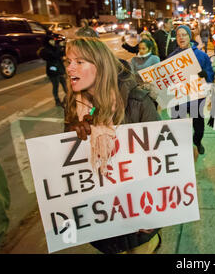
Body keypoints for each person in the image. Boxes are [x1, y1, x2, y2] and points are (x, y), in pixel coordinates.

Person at [63, 37, 161, 254]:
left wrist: (153, 211)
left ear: (100, 65)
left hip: (139, 219)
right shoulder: (73, 105)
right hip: (104, 219)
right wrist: (72, 136)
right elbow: (71, 166)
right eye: (68, 61)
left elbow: (160, 160)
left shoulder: (137, 101)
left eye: (79, 62)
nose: (70, 68)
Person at [169, 25, 214, 155]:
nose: (181, 37)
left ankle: (197, 141)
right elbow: (167, 80)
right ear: (176, 38)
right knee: (178, 127)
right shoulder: (171, 57)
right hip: (179, 99)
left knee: (199, 127)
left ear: (190, 37)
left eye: (184, 34)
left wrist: (206, 75)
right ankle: (182, 148)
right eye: (178, 35)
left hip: (196, 98)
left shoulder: (201, 55)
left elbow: (210, 75)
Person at [38, 34, 68, 107]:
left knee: (64, 84)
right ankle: (57, 100)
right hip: (53, 70)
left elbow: (62, 54)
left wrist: (63, 46)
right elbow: (55, 55)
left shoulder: (55, 47)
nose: (53, 42)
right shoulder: (46, 50)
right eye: (51, 40)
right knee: (55, 86)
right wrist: (59, 47)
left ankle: (69, 98)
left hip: (60, 69)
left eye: (53, 40)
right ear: (47, 41)